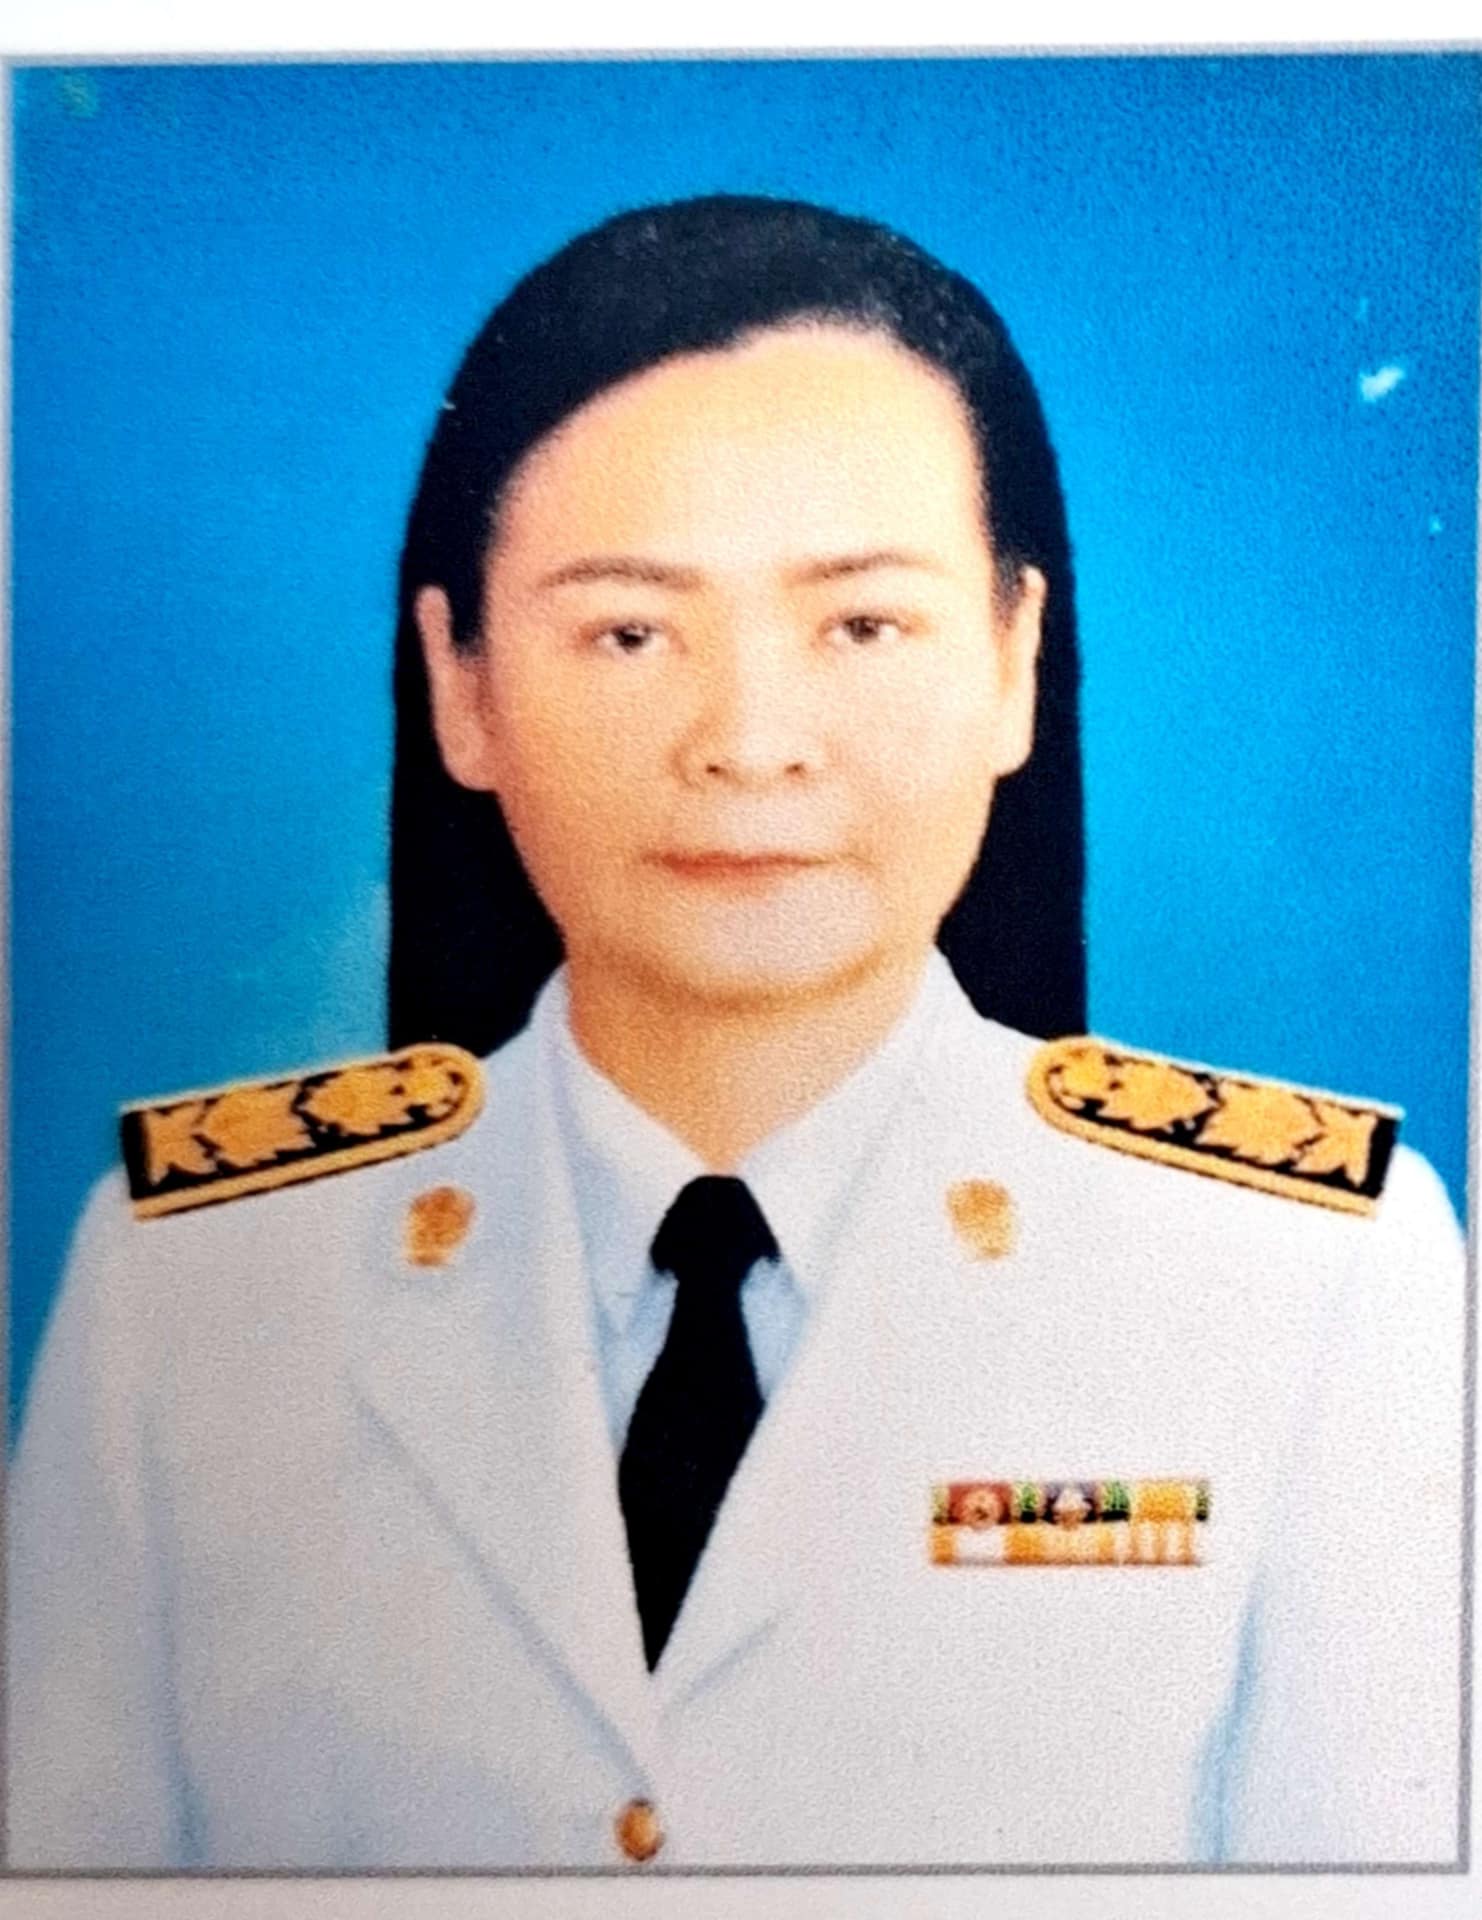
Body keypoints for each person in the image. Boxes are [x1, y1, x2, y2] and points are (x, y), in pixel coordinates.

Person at [9, 195, 1465, 1871]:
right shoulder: (190, 1285)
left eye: (862, 624)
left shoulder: (1306, 1282)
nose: (749, 741)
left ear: (1012, 658)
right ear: (460, 683)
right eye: (630, 632)